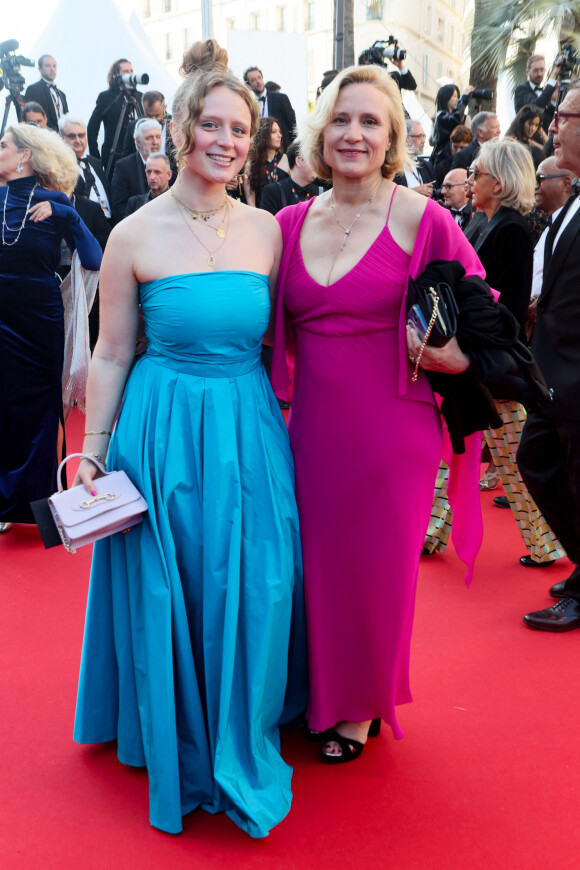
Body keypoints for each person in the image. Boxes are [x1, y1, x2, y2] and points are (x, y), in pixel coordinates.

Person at [72, 39, 307, 836]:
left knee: (256, 573)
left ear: (254, 141)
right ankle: (171, 723)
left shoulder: (271, 233)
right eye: (211, 124)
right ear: (178, 129)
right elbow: (110, 350)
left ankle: (244, 717)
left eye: (240, 130)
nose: (226, 141)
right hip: (161, 427)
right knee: (174, 581)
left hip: (246, 423)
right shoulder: (133, 235)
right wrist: (92, 449)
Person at [271, 62, 488, 762]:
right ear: (321, 131)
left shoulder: (423, 219)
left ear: (392, 134)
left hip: (394, 425)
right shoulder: (287, 222)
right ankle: (312, 690)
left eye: (370, 121)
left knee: (373, 566)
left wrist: (452, 357)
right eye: (341, 119)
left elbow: (485, 315)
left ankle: (359, 706)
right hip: (309, 429)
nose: (354, 134)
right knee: (309, 563)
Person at [0, 124, 102, 533]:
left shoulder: (54, 202)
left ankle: (40, 505)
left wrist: (67, 213)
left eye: (4, 145)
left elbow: (93, 258)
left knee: (42, 410)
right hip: (1, 319)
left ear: (25, 155)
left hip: (40, 322)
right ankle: (5, 503)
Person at [467, 139, 564, 566]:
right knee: (449, 455)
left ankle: (546, 545)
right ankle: (432, 532)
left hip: (491, 360)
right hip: (465, 355)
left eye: (478, 173)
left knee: (512, 458)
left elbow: (508, 306)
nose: (471, 180)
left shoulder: (511, 230)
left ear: (500, 182)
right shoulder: (477, 223)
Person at [519, 81, 580, 629]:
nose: (553, 125)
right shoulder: (574, 201)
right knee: (535, 462)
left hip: (576, 381)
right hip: (552, 375)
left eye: (563, 116)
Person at [87, 59, 144, 173]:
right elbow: (92, 127)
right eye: (126, 71)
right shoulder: (106, 97)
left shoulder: (140, 97)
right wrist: (95, 155)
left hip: (138, 153)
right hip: (114, 155)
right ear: (116, 75)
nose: (130, 74)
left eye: (131, 71)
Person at [59, 114, 112, 221]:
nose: (78, 140)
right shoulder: (59, 166)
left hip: (108, 221)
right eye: (72, 136)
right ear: (62, 137)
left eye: (81, 135)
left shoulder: (95, 162)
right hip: (84, 224)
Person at [110, 119, 162, 222]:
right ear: (138, 141)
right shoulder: (123, 167)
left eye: (158, 137)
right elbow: (118, 208)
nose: (155, 142)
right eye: (149, 138)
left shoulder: (168, 164)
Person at [259, 140, 321, 215]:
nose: (317, 165)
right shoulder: (272, 192)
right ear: (298, 161)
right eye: (313, 160)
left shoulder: (322, 193)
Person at [243, 66, 296, 149]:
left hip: (281, 150)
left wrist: (289, 148)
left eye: (259, 77)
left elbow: (292, 124)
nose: (258, 81)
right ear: (249, 85)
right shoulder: (249, 105)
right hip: (260, 152)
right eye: (253, 80)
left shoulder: (281, 98)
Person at [244, 116, 290, 207]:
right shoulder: (251, 164)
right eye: (274, 132)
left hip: (283, 214)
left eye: (279, 132)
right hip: (262, 215)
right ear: (263, 135)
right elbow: (250, 199)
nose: (279, 135)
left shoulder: (285, 159)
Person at [514, 54, 561, 132]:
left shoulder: (545, 92)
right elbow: (537, 107)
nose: (539, 74)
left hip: (546, 139)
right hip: (529, 142)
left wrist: (553, 100)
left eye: (542, 70)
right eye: (535, 70)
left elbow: (553, 117)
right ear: (527, 72)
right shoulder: (521, 90)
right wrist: (554, 74)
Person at [430, 84, 474, 167]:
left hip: (456, 160)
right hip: (443, 162)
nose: (457, 100)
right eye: (454, 96)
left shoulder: (462, 118)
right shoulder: (440, 116)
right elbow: (431, 141)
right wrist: (464, 98)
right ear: (446, 97)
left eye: (458, 96)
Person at [24, 55, 68, 132]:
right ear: (39, 68)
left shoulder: (62, 94)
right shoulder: (33, 89)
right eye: (48, 66)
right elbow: (31, 118)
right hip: (45, 136)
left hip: (63, 137)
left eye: (54, 66)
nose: (52, 69)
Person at [394, 119, 435, 196]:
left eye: (424, 136)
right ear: (406, 139)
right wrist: (415, 191)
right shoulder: (393, 166)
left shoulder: (427, 166)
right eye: (419, 136)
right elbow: (389, 197)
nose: (423, 141)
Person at [505, 104, 545, 168]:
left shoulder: (530, 141)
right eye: (530, 124)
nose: (533, 128)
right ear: (522, 122)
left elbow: (548, 151)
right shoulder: (512, 141)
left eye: (536, 125)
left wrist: (541, 131)